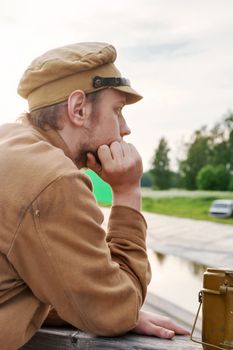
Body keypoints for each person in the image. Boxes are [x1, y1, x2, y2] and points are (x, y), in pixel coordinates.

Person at [0, 42, 189, 349]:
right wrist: (127, 192)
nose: (125, 129)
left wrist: (91, 304)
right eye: (118, 111)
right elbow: (116, 311)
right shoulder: (52, 179)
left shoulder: (10, 144)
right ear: (79, 109)